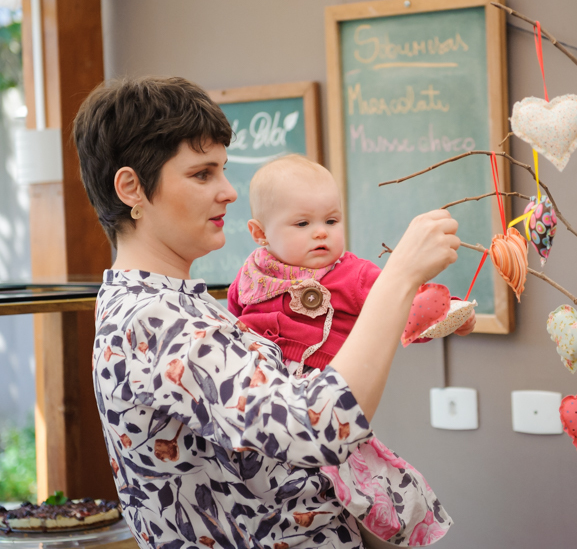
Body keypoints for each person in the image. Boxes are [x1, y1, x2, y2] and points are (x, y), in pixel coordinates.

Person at [74, 76, 460, 548]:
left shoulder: (166, 302)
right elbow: (316, 426)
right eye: (202, 174)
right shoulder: (155, 320)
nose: (229, 192)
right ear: (132, 188)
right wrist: (398, 276)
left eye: (223, 170)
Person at [227, 154, 475, 374]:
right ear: (260, 233)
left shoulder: (354, 275)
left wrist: (450, 313)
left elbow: (404, 304)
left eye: (331, 221)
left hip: (323, 382)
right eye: (303, 224)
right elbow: (233, 320)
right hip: (255, 379)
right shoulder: (250, 272)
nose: (321, 232)